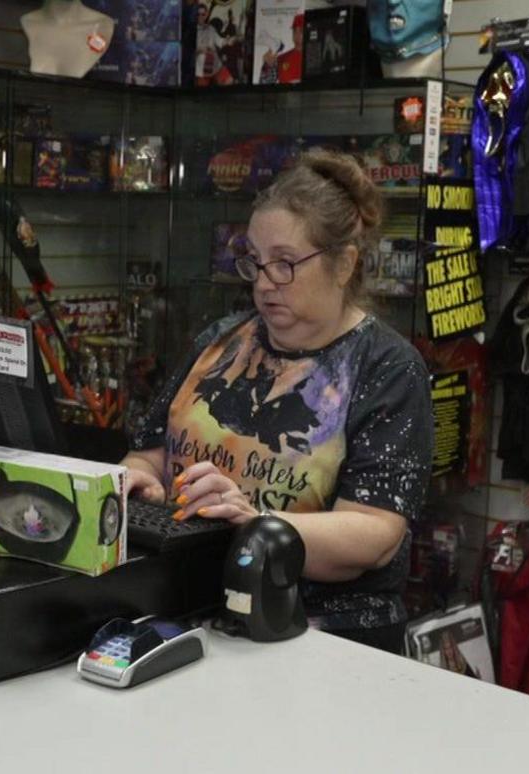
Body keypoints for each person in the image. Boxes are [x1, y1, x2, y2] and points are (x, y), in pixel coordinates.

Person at [124, 148, 433, 654]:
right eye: (254, 261)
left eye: (285, 264)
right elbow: (151, 452)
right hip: (194, 614)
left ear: (344, 263)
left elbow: (375, 534)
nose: (264, 282)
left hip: (321, 638)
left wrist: (256, 526)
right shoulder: (221, 339)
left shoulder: (387, 368)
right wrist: (137, 478)